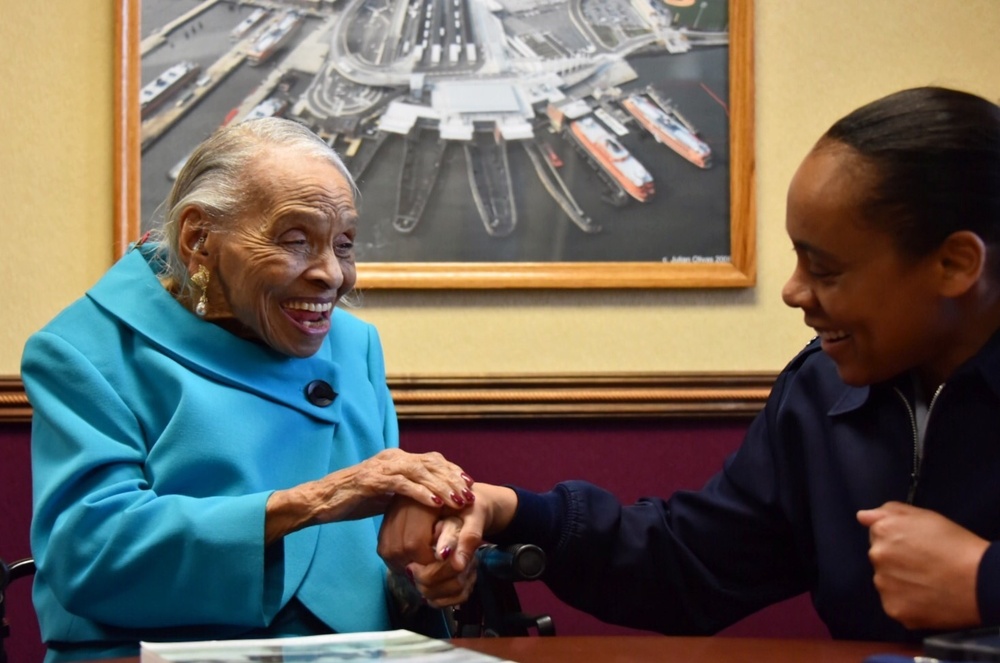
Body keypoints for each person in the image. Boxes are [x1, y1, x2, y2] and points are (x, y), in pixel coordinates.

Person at [378, 86, 1000, 643]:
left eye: (827, 270)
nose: (793, 292)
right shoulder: (819, 393)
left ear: (954, 266)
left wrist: (982, 580)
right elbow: (691, 565)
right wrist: (512, 510)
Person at [21, 117, 475, 662]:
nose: (332, 274)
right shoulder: (84, 351)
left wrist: (428, 572)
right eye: (296, 240)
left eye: (344, 243)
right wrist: (316, 500)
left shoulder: (356, 346)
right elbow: (90, 555)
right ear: (199, 239)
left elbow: (381, 560)